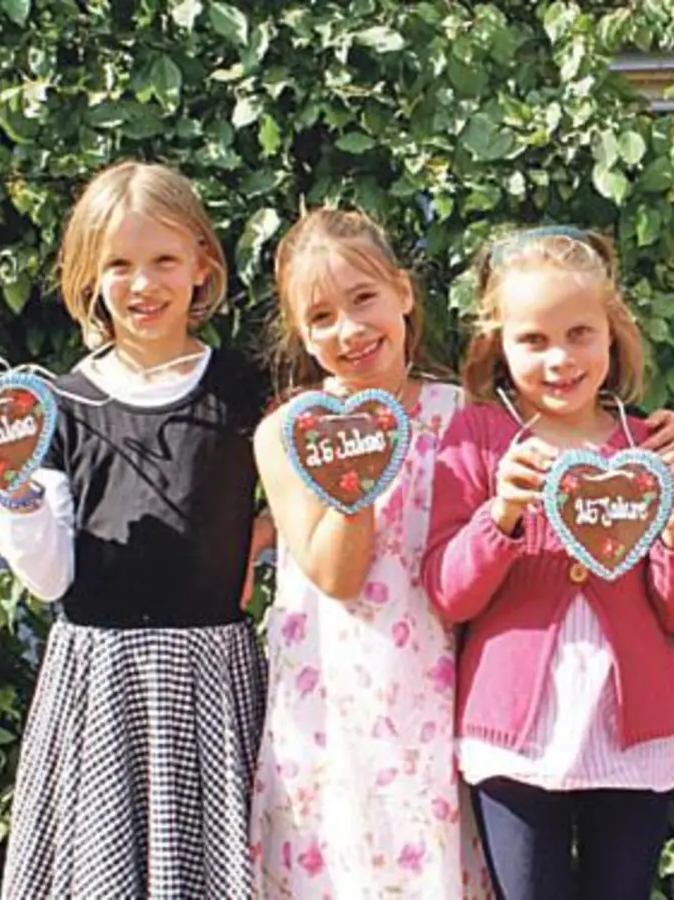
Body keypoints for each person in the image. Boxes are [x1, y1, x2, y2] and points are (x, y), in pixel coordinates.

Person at [0, 161, 266, 898]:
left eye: (163, 261)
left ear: (202, 266)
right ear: (89, 276)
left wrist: (261, 538)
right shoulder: (59, 403)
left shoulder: (246, 389)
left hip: (212, 675)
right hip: (99, 679)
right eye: (119, 265)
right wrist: (13, 499)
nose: (143, 285)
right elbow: (49, 576)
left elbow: (302, 503)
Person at [421, 227, 674, 899]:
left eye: (580, 334)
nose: (560, 359)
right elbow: (448, 593)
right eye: (534, 340)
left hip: (630, 735)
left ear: (613, 335)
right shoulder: (478, 439)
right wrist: (499, 518)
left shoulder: (647, 447)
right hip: (515, 742)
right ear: (499, 345)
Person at [246, 207, 492, 898]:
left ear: (404, 294)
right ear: (300, 332)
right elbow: (336, 573)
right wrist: (355, 479)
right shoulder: (289, 430)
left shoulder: (463, 412)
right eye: (321, 317)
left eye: (364, 300)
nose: (349, 331)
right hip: (334, 711)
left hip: (443, 701)